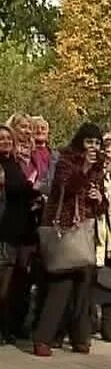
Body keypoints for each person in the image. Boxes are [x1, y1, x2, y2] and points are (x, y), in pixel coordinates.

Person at [32, 123, 105, 357]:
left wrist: (99, 198)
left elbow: (101, 206)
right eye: (89, 142)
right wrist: (84, 166)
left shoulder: (98, 168)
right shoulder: (65, 160)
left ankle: (80, 336)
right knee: (60, 286)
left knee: (83, 288)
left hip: (85, 231)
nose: (93, 147)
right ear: (80, 142)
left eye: (97, 143)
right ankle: (44, 337)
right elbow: (66, 187)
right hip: (64, 229)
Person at [0, 125, 40, 343]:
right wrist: (32, 188)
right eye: (1, 138)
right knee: (3, 283)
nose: (5, 141)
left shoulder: (13, 164)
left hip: (18, 232)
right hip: (4, 231)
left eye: (8, 138)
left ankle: (9, 327)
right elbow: (15, 189)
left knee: (15, 283)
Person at [92, 132, 111, 342]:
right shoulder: (93, 175)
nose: (109, 157)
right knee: (90, 282)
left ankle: (108, 326)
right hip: (93, 234)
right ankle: (88, 323)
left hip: (110, 237)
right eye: (106, 152)